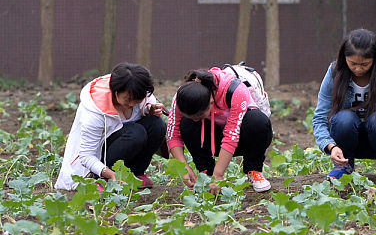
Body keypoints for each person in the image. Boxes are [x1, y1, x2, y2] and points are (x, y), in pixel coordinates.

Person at [313, 28, 376, 180]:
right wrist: (331, 147)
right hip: (347, 140)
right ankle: (344, 166)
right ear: (344, 57)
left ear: (375, 59)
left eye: (365, 64)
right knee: (343, 119)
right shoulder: (335, 72)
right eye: (352, 63)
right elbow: (320, 116)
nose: (358, 69)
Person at [56, 62, 166, 191]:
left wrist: (150, 108)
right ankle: (101, 179)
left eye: (137, 100)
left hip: (124, 143)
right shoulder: (94, 111)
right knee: (135, 133)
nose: (131, 104)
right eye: (127, 99)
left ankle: (136, 173)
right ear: (115, 91)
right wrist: (111, 174)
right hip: (99, 158)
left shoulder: (139, 90)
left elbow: (147, 101)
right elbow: (86, 156)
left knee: (157, 124)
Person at [166, 67, 274, 193]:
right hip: (213, 139)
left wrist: (218, 175)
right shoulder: (183, 96)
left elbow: (231, 135)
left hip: (242, 137)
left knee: (258, 122)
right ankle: (206, 173)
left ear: (211, 102)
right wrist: (184, 168)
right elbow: (173, 134)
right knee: (187, 124)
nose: (196, 120)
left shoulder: (236, 91)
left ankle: (253, 170)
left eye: (200, 116)